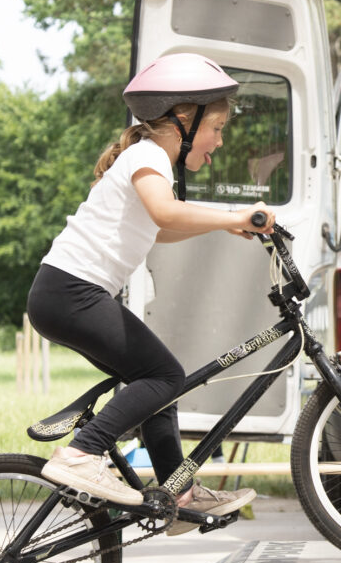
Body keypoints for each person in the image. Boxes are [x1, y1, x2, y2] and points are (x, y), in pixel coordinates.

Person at [30, 52, 274, 533]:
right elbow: (164, 213)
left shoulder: (147, 158)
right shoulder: (148, 156)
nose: (220, 141)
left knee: (159, 385)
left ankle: (177, 496)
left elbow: (159, 229)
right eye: (217, 128)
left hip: (67, 294)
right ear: (184, 120)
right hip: (71, 292)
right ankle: (82, 455)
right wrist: (234, 215)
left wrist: (225, 226)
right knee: (165, 375)